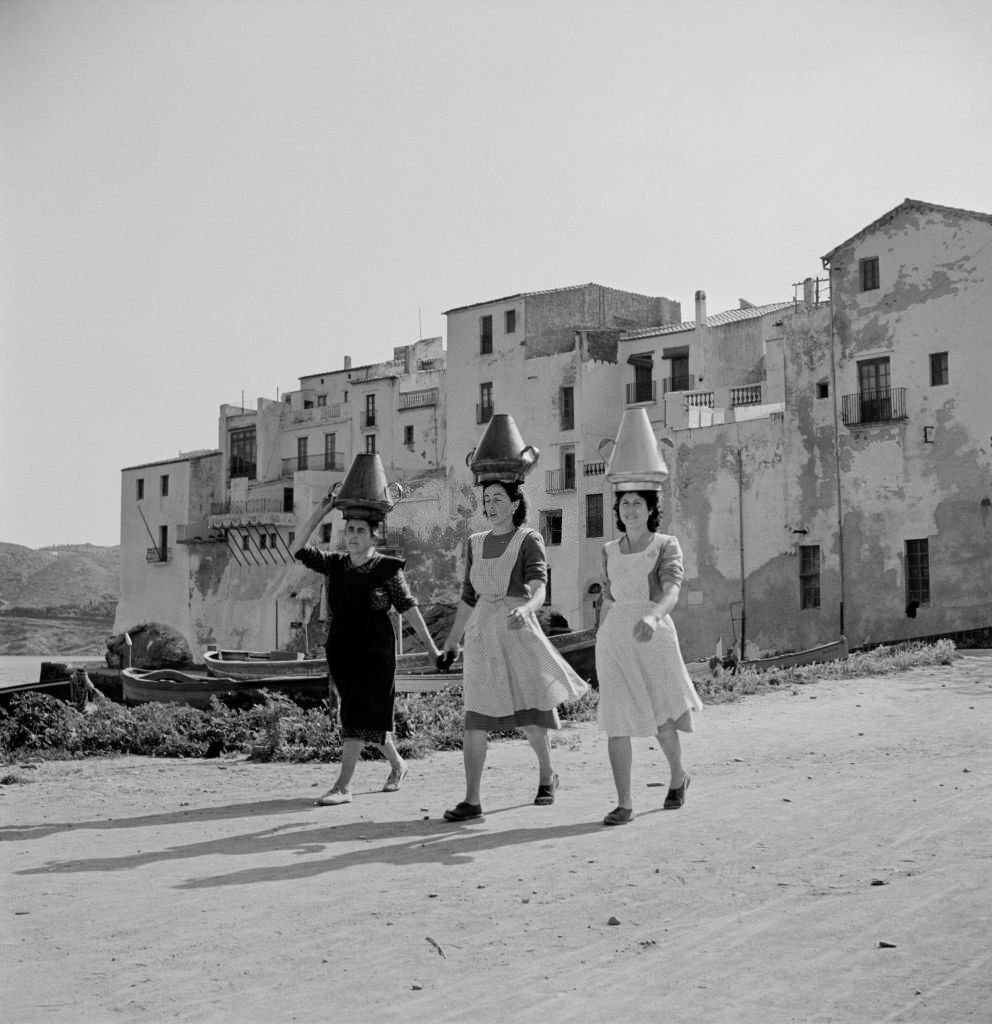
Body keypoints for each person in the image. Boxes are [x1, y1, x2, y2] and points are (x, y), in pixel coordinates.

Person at [440, 479, 588, 822]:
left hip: (517, 631)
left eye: (498, 498)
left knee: (529, 716)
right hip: (480, 636)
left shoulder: (528, 539)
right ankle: (472, 799)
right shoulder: (475, 543)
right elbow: (468, 596)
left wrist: (527, 609)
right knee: (475, 719)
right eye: (486, 499)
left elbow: (539, 587)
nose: (491, 505)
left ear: (515, 502)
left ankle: (547, 774)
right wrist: (453, 638)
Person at [294, 492, 441, 806]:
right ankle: (398, 764)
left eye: (360, 530)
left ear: (375, 534)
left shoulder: (386, 569)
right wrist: (322, 508)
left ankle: (343, 786)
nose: (353, 536)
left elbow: (409, 608)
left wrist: (431, 649)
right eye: (349, 530)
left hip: (375, 649)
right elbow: (298, 547)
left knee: (355, 712)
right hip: (342, 646)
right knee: (362, 714)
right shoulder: (334, 564)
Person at [595, 488, 703, 826]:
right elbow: (607, 598)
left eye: (637, 503)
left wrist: (654, 617)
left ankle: (678, 775)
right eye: (624, 503)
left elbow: (672, 590)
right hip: (614, 637)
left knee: (661, 717)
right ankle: (624, 803)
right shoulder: (609, 550)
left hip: (652, 635)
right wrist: (599, 635)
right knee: (615, 718)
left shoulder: (665, 545)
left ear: (651, 508)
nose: (630, 509)